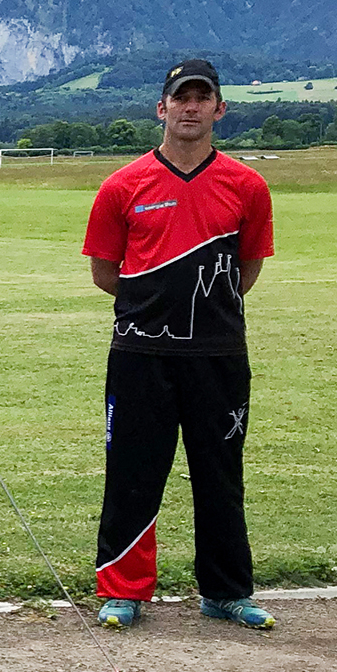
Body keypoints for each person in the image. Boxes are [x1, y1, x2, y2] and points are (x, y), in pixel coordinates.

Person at [83, 58, 275, 630]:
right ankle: (123, 588)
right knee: (133, 473)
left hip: (218, 355)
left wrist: (201, 316)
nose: (190, 108)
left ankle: (225, 590)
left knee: (220, 473)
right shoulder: (123, 185)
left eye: (202, 98)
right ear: (161, 107)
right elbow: (103, 270)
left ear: (219, 108)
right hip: (141, 355)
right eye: (180, 98)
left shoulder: (247, 186)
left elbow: (246, 270)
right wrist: (155, 310)